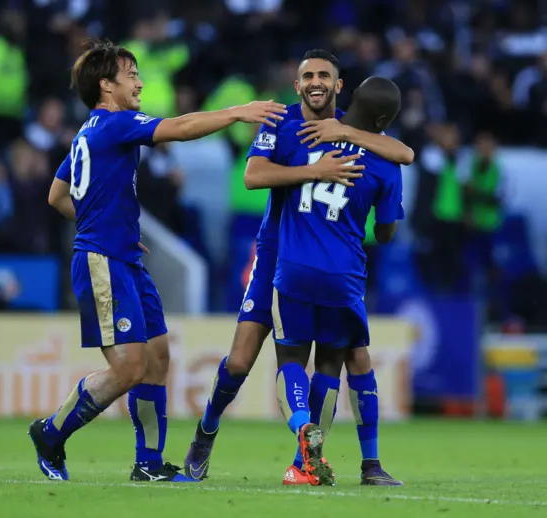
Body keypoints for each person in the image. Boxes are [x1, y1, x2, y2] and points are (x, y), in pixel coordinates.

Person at [28, 38, 287, 483]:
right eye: (131, 75)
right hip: (103, 260)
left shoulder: (86, 132)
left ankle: (147, 463)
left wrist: (109, 224)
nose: (140, 83)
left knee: (158, 356)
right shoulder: (115, 123)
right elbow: (181, 128)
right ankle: (51, 432)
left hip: (123, 256)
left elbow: (57, 196)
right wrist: (237, 112)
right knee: (129, 367)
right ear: (106, 86)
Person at [185, 50, 413, 484]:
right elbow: (253, 176)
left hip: (310, 252)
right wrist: (317, 172)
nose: (315, 82)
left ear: (338, 85)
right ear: (297, 85)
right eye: (307, 75)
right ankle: (206, 431)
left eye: (324, 75)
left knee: (335, 356)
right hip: (274, 251)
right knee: (240, 359)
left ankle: (305, 460)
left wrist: (343, 133)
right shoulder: (281, 123)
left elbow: (403, 152)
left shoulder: (347, 127)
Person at [269, 76, 405, 486]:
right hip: (342, 276)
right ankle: (321, 461)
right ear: (383, 118)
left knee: (290, 360)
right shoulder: (386, 162)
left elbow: (263, 174)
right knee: (333, 365)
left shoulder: (305, 133)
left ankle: (300, 429)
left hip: (293, 267)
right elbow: (384, 234)